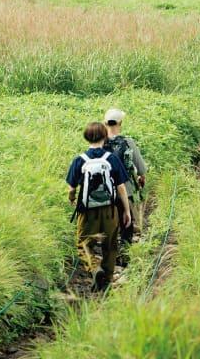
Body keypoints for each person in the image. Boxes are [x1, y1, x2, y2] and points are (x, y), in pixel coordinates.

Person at [66, 121, 131, 292]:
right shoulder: (112, 159)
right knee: (110, 245)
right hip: (109, 210)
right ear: (105, 137)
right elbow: (121, 187)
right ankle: (107, 281)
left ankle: (94, 268)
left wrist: (72, 198)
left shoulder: (79, 160)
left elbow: (71, 188)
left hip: (87, 211)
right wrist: (126, 211)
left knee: (83, 244)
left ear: (86, 137)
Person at [103, 107, 148, 243]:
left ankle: (109, 248)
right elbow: (140, 167)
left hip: (103, 188)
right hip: (125, 188)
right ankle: (125, 247)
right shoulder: (127, 142)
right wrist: (141, 177)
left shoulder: (98, 141)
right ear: (120, 123)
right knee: (126, 219)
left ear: (105, 123)